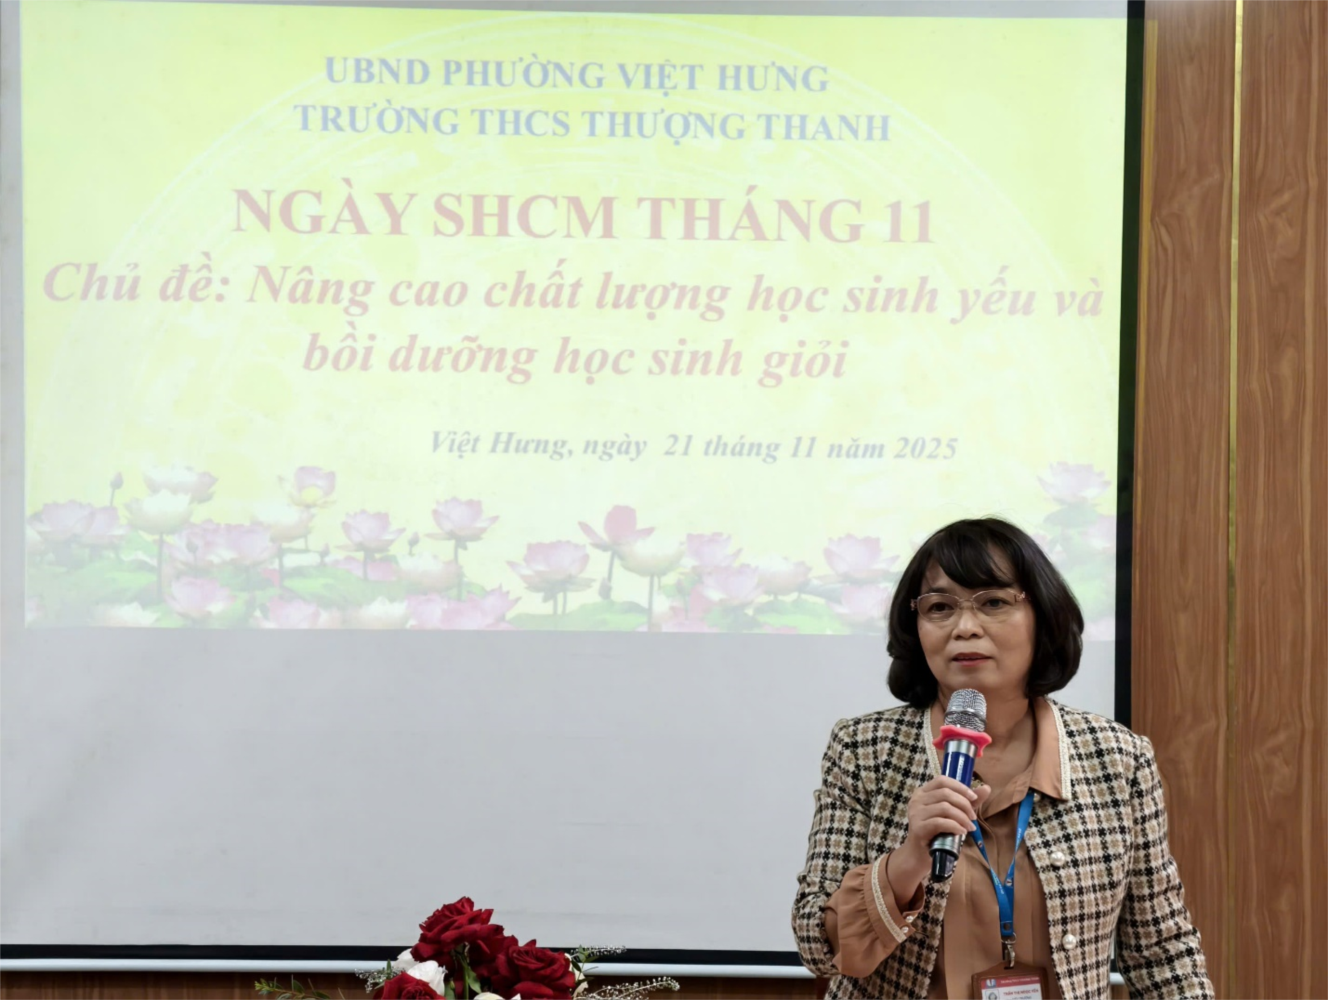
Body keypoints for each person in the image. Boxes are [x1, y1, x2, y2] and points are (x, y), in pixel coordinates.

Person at [792, 518, 1214, 999]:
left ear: (1043, 615)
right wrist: (907, 862)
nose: (965, 627)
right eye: (939, 607)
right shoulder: (865, 750)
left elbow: (1162, 953)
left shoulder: (1117, 758)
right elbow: (817, 946)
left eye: (993, 602)